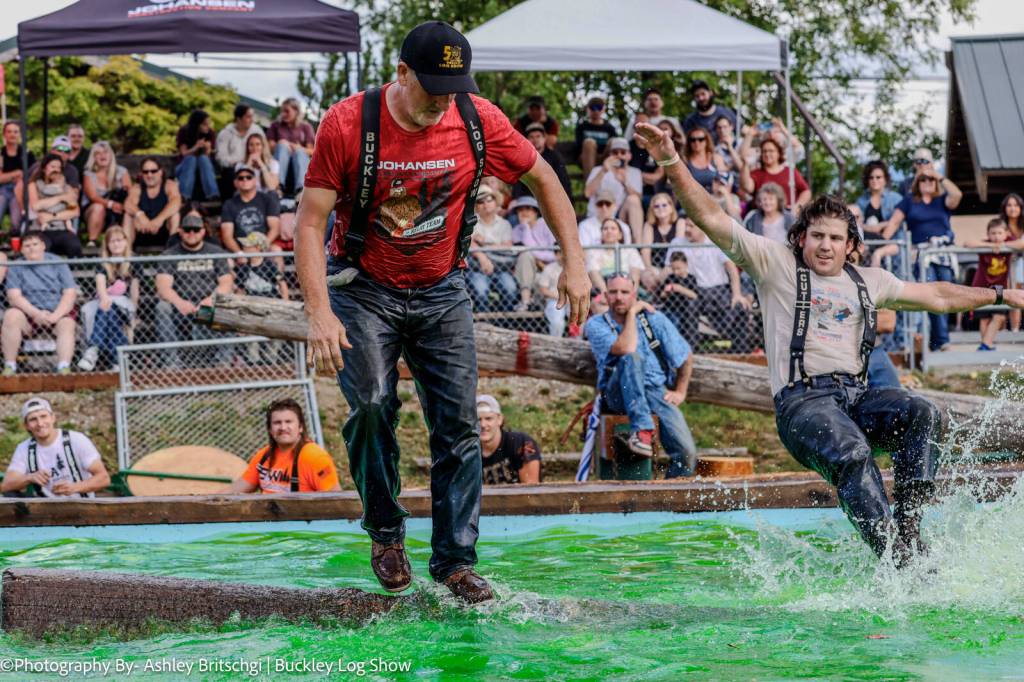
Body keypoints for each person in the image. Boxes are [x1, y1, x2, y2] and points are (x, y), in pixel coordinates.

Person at [634, 120, 1024, 565]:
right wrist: (669, 158)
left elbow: (937, 295)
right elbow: (709, 216)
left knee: (922, 412)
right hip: (803, 405)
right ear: (801, 238)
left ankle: (911, 536)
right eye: (816, 235)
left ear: (851, 245)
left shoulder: (870, 280)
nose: (825, 245)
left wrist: (1001, 294)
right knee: (854, 453)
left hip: (856, 399)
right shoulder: (774, 263)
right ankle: (896, 562)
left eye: (835, 238)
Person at [295, 21, 589, 603]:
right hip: (363, 287)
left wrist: (574, 263)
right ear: (401, 73)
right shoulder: (348, 123)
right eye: (432, 88)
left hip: (442, 288)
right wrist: (319, 312)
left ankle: (455, 562)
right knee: (374, 404)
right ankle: (384, 530)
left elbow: (545, 177)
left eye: (452, 88)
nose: (441, 101)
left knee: (457, 423)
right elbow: (309, 223)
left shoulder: (476, 117)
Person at [584, 273, 697, 477]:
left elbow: (685, 356)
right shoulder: (596, 324)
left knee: (686, 453)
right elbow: (627, 348)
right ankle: (642, 430)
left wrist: (680, 391)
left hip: (654, 390)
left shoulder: (654, 319)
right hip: (617, 392)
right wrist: (632, 314)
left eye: (625, 292)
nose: (619, 297)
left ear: (634, 294)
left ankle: (668, 501)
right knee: (631, 358)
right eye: (613, 292)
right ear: (605, 295)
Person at [881, 169, 963, 352]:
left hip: (943, 254)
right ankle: (941, 340)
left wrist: (939, 176)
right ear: (917, 182)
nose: (927, 181)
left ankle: (938, 339)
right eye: (923, 179)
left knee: (947, 291)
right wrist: (879, 245)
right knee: (932, 290)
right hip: (921, 255)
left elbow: (957, 194)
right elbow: (893, 224)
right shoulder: (909, 201)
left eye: (930, 179)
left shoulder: (942, 201)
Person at [667, 219, 754, 354]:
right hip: (693, 289)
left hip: (719, 289)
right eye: (686, 225)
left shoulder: (716, 241)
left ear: (702, 227)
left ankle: (740, 352)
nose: (687, 229)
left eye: (691, 225)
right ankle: (691, 353)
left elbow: (732, 269)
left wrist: (737, 294)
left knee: (740, 307)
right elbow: (668, 269)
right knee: (689, 307)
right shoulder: (677, 243)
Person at [154, 213, 234, 358]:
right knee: (162, 307)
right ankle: (172, 361)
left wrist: (210, 301)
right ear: (180, 231)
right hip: (180, 308)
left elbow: (226, 283)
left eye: (196, 230)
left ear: (203, 231)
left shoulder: (215, 252)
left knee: (227, 304)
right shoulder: (170, 254)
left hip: (208, 307)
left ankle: (224, 363)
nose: (191, 233)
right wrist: (180, 303)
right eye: (187, 229)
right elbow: (163, 287)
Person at [221, 399, 340, 494]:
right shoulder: (264, 456)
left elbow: (336, 500)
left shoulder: (314, 457)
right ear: (270, 429)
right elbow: (235, 489)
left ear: (300, 427)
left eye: (289, 422)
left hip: (303, 521)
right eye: (277, 423)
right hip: (267, 520)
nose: (283, 427)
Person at [2, 231, 79, 376]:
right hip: (28, 315)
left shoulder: (58, 262)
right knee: (11, 315)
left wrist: (55, 316)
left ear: (43, 246)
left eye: (35, 244)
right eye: (27, 245)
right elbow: (14, 296)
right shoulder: (16, 266)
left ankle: (64, 367)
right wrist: (36, 313)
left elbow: (69, 293)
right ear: (22, 249)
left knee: (67, 324)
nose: (31, 248)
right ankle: (9, 366)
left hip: (56, 312)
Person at [2, 397, 110, 498]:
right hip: (46, 512)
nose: (40, 423)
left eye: (43, 416)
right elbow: (6, 486)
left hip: (82, 507)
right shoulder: (24, 449)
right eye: (33, 419)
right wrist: (29, 477)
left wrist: (74, 487)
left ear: (53, 417)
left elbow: (104, 478)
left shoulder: (76, 440)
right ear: (26, 426)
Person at [77, 226, 140, 372]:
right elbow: (101, 284)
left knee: (110, 309)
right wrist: (105, 298)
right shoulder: (103, 263)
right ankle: (118, 361)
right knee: (108, 312)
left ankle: (93, 350)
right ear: (107, 245)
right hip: (106, 302)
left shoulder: (134, 261)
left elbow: (134, 291)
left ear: (126, 242)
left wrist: (134, 313)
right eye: (112, 241)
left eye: (119, 240)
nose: (116, 244)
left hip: (124, 303)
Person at [964, 218, 1015, 351]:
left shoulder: (1009, 243)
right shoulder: (985, 245)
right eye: (993, 233)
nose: (996, 236)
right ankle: (987, 345)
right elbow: (967, 243)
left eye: (999, 233)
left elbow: (1021, 243)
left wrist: (1004, 246)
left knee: (999, 316)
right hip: (981, 286)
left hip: (999, 287)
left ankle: (985, 344)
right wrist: (991, 246)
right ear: (988, 234)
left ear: (1006, 234)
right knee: (984, 318)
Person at [467, 183, 517, 313]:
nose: (485, 204)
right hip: (478, 268)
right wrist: (482, 257)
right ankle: (485, 321)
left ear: (495, 202)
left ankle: (505, 322)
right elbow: (468, 242)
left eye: (489, 200)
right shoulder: (471, 223)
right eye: (480, 201)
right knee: (481, 290)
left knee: (510, 288)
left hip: (501, 268)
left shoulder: (504, 223)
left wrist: (484, 245)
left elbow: (507, 246)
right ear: (476, 206)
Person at [584, 137, 643, 241]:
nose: (619, 155)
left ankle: (639, 244)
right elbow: (587, 193)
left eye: (623, 152)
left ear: (629, 155)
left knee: (633, 199)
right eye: (615, 152)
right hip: (599, 213)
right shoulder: (598, 170)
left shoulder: (635, 172)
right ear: (610, 155)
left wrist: (625, 182)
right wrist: (603, 171)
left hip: (620, 215)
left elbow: (638, 198)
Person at [476, 394, 542, 484]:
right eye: (478, 419)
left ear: (499, 419)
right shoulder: (468, 452)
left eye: (488, 418)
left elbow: (531, 492)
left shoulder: (521, 443)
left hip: (518, 497)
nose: (483, 425)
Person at [26, 155, 81, 258]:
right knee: (42, 247)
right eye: (52, 166)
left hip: (61, 228)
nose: (56, 170)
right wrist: (60, 198)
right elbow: (35, 206)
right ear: (44, 168)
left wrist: (52, 216)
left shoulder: (67, 188)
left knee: (74, 246)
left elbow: (75, 211)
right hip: (40, 229)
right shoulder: (34, 185)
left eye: (58, 167)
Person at [219, 166, 281, 254]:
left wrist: (261, 248)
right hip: (239, 248)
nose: (245, 180)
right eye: (240, 178)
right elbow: (227, 236)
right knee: (228, 261)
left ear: (255, 180)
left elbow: (275, 229)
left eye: (249, 177)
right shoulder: (229, 204)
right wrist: (239, 253)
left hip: (264, 246)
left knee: (276, 250)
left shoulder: (267, 200)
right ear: (235, 183)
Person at [739, 133, 810, 211]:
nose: (767, 154)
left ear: (779, 153)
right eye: (764, 151)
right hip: (763, 216)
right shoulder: (756, 173)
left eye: (771, 151)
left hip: (788, 215)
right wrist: (745, 164)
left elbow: (806, 191)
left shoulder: (790, 172)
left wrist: (797, 206)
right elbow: (747, 187)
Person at [510, 195, 557, 311]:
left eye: (528, 208)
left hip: (549, 266)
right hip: (528, 269)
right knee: (525, 256)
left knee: (527, 254)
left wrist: (538, 258)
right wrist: (525, 227)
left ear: (536, 211)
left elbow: (554, 253)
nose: (524, 212)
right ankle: (526, 301)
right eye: (521, 209)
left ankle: (528, 302)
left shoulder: (546, 225)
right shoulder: (516, 230)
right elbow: (524, 249)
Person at [123, 157, 182, 249]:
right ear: (141, 174)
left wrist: (159, 220)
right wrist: (141, 216)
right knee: (128, 216)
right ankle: (126, 255)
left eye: (153, 171)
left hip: (164, 232)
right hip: (142, 230)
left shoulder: (169, 185)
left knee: (175, 215)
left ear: (160, 172)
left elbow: (176, 202)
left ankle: (172, 253)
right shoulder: (137, 188)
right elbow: (128, 204)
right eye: (145, 172)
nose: (149, 175)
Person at [855, 161, 904, 269]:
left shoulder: (896, 199)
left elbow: (897, 223)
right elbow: (857, 224)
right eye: (871, 177)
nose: (874, 180)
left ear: (885, 179)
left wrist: (880, 226)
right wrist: (871, 228)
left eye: (878, 177)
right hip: (867, 250)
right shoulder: (861, 201)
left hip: (892, 249)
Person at [82, 141, 131, 247]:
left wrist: (122, 205)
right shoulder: (89, 174)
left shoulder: (122, 171)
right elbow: (93, 196)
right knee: (98, 207)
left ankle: (126, 243)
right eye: (98, 153)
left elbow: (129, 192)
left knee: (129, 209)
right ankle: (92, 241)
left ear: (111, 155)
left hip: (119, 208)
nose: (102, 155)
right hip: (93, 208)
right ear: (93, 157)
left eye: (105, 152)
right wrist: (111, 204)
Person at [267, 97, 316, 195]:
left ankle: (301, 190)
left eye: (287, 111)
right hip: (280, 161)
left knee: (299, 152)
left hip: (300, 163)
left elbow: (312, 151)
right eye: (282, 111)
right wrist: (281, 143)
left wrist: (298, 148)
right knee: (282, 147)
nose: (283, 114)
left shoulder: (306, 127)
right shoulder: (275, 125)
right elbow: (269, 147)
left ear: (296, 111)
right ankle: (278, 186)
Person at [513, 121, 571, 201]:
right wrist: (515, 200)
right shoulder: (522, 158)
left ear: (544, 138)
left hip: (552, 198)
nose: (535, 139)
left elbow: (564, 181)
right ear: (527, 140)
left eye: (538, 136)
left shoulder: (555, 157)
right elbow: (518, 184)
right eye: (531, 137)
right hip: (528, 201)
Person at [639, 191, 687, 284]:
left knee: (668, 273)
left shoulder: (679, 222)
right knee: (647, 276)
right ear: (652, 210)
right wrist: (649, 269)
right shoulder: (649, 225)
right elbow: (645, 251)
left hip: (673, 265)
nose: (661, 208)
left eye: (664, 205)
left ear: (671, 208)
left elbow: (677, 248)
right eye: (656, 206)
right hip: (653, 266)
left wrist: (668, 268)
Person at [587, 217, 645, 293]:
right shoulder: (593, 252)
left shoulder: (630, 250)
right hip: (603, 287)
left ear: (620, 235)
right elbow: (593, 273)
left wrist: (631, 293)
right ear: (601, 234)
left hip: (626, 284)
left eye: (613, 228)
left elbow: (635, 273)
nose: (609, 231)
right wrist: (607, 293)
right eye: (605, 229)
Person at [175, 109, 219, 202]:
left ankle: (212, 194)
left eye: (208, 124)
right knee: (191, 159)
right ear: (197, 124)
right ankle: (184, 196)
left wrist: (207, 149)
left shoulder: (210, 134)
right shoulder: (184, 131)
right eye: (204, 124)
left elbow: (208, 158)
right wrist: (195, 147)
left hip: (204, 169)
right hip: (184, 167)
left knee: (203, 158)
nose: (207, 127)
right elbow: (183, 153)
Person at [658, 251, 700, 345]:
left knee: (686, 324)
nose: (676, 272)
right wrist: (666, 291)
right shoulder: (670, 277)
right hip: (672, 309)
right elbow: (661, 295)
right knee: (673, 322)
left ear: (686, 265)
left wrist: (680, 289)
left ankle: (689, 345)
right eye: (673, 269)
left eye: (678, 268)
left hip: (686, 311)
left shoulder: (691, 278)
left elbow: (694, 295)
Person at [1, 121, 34, 234]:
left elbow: (32, 175)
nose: (12, 134)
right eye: (9, 131)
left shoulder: (27, 153)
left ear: (20, 134)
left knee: (16, 220)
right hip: (2, 191)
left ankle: (14, 241)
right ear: (4, 134)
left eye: (15, 132)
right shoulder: (1, 153)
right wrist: (17, 173)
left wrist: (8, 176)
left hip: (20, 191)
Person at [216, 104, 264, 182]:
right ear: (238, 119)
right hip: (233, 169)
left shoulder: (257, 130)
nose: (252, 120)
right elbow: (221, 159)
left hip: (256, 165)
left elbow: (265, 150)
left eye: (252, 116)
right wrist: (241, 161)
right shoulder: (225, 133)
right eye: (248, 117)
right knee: (231, 173)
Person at [235, 232, 290, 300]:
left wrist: (285, 302)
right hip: (252, 302)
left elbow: (282, 284)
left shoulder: (269, 265)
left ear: (258, 248)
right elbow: (240, 289)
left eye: (247, 246)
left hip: (271, 300)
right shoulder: (244, 268)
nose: (244, 247)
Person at [575, 96, 618, 179]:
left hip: (604, 158)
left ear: (603, 109)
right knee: (589, 142)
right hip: (586, 159)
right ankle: (589, 184)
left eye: (599, 107)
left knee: (613, 141)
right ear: (587, 109)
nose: (596, 111)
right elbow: (579, 147)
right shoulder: (581, 127)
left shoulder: (610, 128)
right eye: (592, 108)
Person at [999, 193, 1023, 332]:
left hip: (1021, 264)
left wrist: (1004, 243)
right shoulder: (1001, 224)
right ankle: (1014, 330)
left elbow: (1022, 243)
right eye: (1009, 205)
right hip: (1008, 265)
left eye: (1015, 205)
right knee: (1013, 295)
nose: (1012, 208)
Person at [682, 126, 727, 193]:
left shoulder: (716, 158)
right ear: (689, 142)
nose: (696, 142)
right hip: (694, 196)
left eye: (701, 139)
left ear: (706, 141)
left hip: (715, 196)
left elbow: (724, 180)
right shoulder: (685, 160)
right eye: (692, 140)